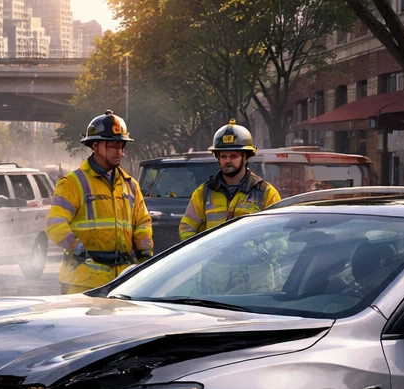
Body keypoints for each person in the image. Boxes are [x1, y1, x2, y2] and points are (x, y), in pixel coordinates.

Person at [46, 110, 153, 294]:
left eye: (122, 146)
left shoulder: (131, 185)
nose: (119, 152)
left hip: (122, 283)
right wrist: (78, 249)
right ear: (95, 146)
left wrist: (144, 256)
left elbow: (142, 222)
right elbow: (55, 224)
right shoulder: (73, 183)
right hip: (82, 283)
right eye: (113, 146)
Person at [179, 120, 281, 240]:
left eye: (233, 156)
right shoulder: (203, 194)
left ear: (246, 157)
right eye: (223, 156)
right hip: (214, 258)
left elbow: (278, 234)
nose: (228, 160)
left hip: (250, 258)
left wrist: (262, 255)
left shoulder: (266, 193)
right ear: (218, 158)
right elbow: (186, 229)